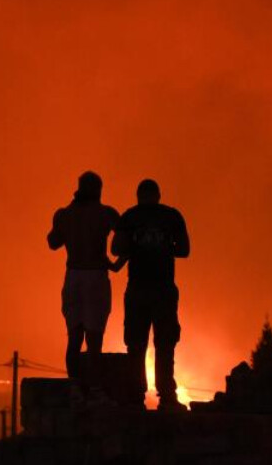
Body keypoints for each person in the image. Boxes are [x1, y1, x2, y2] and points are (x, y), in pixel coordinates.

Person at [111, 179, 190, 411]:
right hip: (163, 288)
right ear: (158, 194)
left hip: (138, 289)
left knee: (136, 344)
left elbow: (116, 248)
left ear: (138, 195)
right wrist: (164, 247)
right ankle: (166, 396)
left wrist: (137, 247)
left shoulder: (130, 216)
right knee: (165, 343)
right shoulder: (172, 216)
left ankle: (136, 397)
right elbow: (185, 250)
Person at [47, 171, 123, 393]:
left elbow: (52, 242)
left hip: (73, 277)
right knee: (94, 340)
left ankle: (75, 391)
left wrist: (66, 217)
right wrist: (116, 263)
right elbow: (125, 241)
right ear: (99, 190)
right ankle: (94, 391)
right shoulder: (107, 214)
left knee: (74, 338)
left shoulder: (64, 214)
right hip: (96, 277)